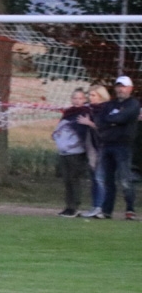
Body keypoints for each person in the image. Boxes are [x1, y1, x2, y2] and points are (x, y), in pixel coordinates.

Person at [91, 76, 138, 220]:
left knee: (125, 179)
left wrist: (112, 120)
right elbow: (100, 121)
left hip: (123, 146)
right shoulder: (109, 105)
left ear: (130, 88)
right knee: (108, 180)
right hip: (107, 145)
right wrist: (113, 121)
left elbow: (122, 118)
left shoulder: (133, 104)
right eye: (118, 86)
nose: (120, 89)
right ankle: (107, 211)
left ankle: (130, 209)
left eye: (123, 86)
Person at [52, 88, 92, 217]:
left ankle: (74, 206)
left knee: (74, 179)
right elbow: (60, 130)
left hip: (76, 151)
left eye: (80, 98)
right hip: (64, 151)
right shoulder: (68, 113)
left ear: (84, 99)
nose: (77, 100)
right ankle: (68, 206)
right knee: (67, 179)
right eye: (75, 98)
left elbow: (83, 133)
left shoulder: (85, 113)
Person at [77, 84, 111, 218]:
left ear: (101, 96)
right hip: (91, 147)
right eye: (89, 95)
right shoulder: (89, 109)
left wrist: (89, 123)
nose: (90, 98)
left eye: (93, 95)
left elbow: (106, 128)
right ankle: (94, 206)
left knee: (99, 178)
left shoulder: (106, 109)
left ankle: (99, 207)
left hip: (102, 147)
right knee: (94, 178)